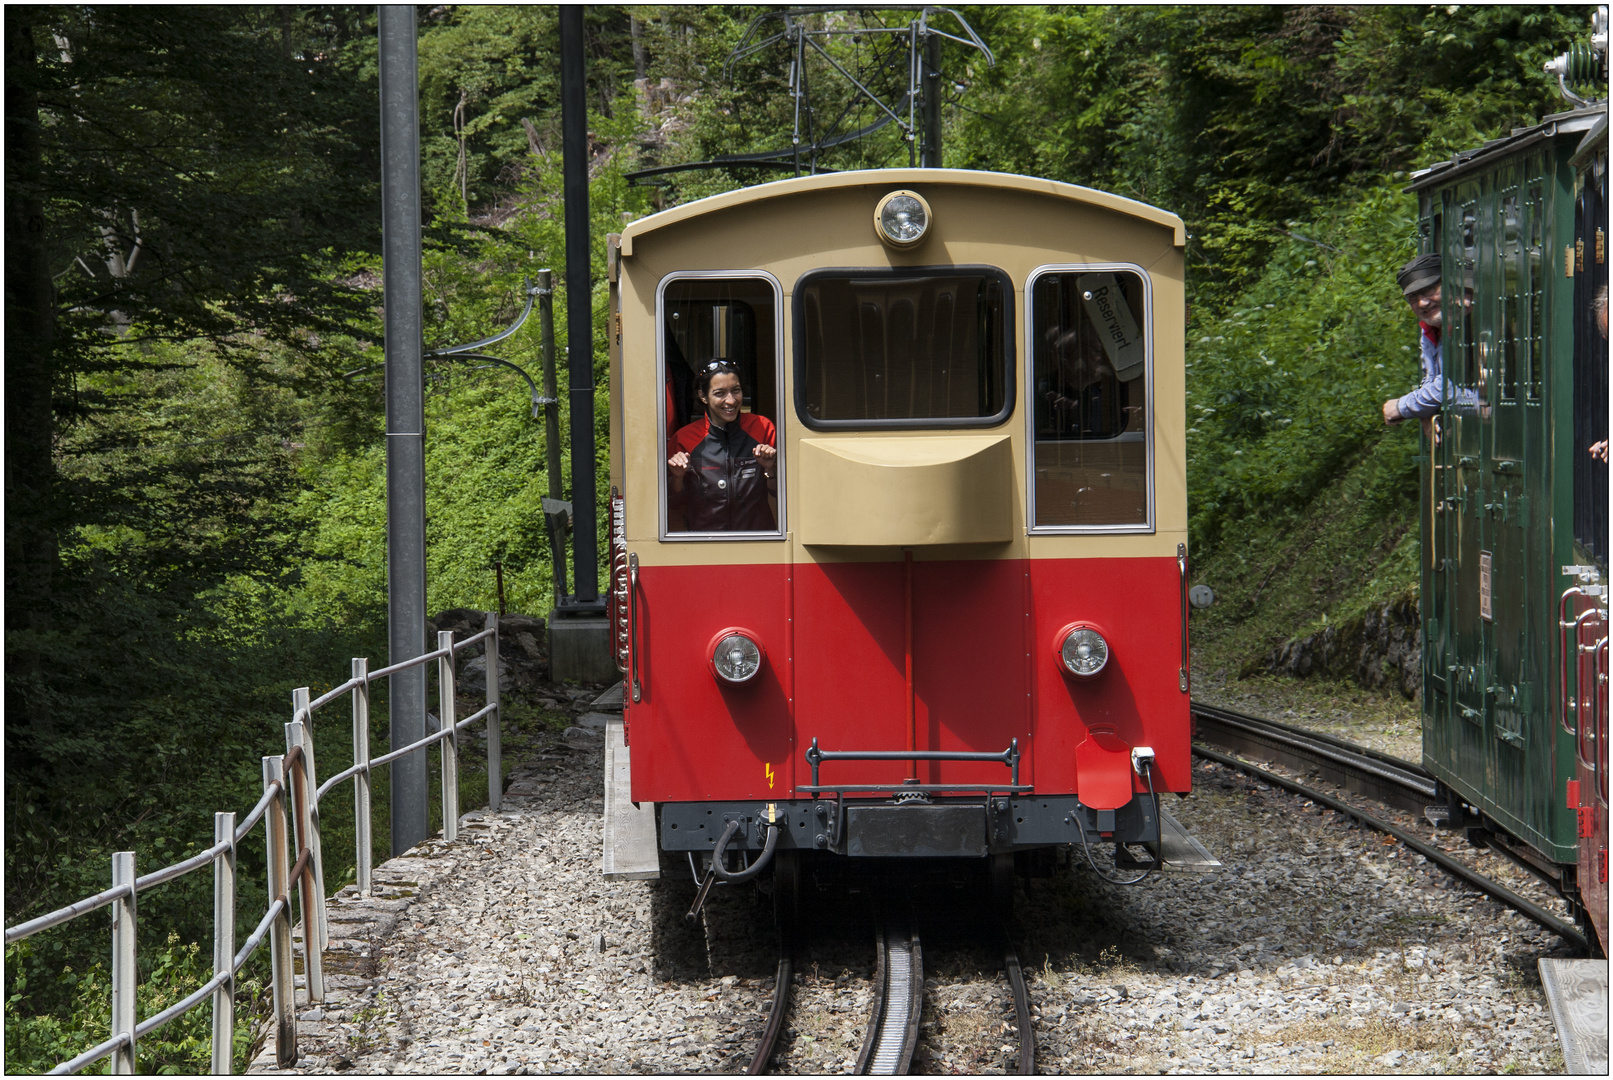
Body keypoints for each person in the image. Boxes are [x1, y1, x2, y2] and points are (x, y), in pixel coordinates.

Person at [668, 360, 778, 531]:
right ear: (703, 396)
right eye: (720, 393)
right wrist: (677, 477)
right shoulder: (684, 439)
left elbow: (781, 494)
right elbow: (674, 503)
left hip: (757, 541)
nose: (731, 401)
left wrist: (771, 470)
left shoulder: (763, 428)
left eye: (736, 391)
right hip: (706, 543)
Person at [1382, 253, 1451, 441]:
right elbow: (1431, 379)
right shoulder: (1428, 329)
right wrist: (1425, 412)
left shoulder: (1460, 323)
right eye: (1413, 297)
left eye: (1429, 290)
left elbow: (1450, 387)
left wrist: (1401, 407)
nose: (1422, 303)